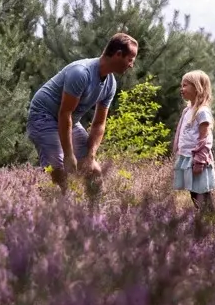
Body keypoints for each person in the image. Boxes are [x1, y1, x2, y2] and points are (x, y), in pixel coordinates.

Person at [27, 33, 138, 193]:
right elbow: (64, 113)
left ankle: (95, 208)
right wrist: (68, 155)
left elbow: (99, 123)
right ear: (118, 54)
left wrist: (90, 156)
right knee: (59, 172)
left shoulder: (110, 84)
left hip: (69, 120)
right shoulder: (81, 73)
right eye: (130, 59)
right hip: (44, 116)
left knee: (94, 171)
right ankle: (37, 203)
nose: (131, 65)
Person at [171, 69, 215, 215]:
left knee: (201, 192)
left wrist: (199, 160)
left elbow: (206, 139)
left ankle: (210, 218)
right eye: (181, 85)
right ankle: (204, 218)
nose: (182, 89)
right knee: (194, 192)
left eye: (185, 85)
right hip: (187, 157)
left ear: (197, 88)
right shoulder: (187, 110)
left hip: (197, 159)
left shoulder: (202, 111)